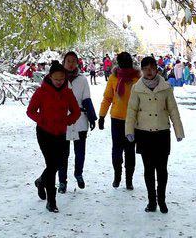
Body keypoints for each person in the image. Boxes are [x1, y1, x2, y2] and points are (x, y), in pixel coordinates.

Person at [125, 56, 185, 214]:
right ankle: (151, 201)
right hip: (144, 133)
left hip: (162, 133)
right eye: (145, 69)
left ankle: (162, 200)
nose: (149, 71)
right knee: (149, 169)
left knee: (162, 169)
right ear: (142, 70)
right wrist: (129, 130)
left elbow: (173, 110)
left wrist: (178, 130)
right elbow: (131, 111)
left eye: (151, 68)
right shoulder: (137, 88)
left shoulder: (166, 87)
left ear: (157, 69)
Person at [26, 60, 81, 213]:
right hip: (44, 132)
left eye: (62, 79)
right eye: (56, 79)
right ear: (50, 77)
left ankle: (41, 181)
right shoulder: (41, 92)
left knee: (59, 163)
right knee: (51, 165)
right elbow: (30, 111)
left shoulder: (67, 93)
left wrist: (68, 120)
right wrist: (42, 119)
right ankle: (52, 201)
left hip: (61, 133)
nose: (59, 82)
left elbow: (76, 111)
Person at [98, 51, 140, 189]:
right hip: (116, 119)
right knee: (117, 150)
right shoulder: (113, 77)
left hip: (132, 120)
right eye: (123, 63)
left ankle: (129, 180)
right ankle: (117, 176)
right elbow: (107, 98)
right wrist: (102, 116)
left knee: (130, 150)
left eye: (128, 62)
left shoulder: (137, 79)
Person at [57, 51, 96, 192]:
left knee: (80, 152)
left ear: (77, 63)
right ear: (64, 62)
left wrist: (92, 117)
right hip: (62, 120)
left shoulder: (82, 80)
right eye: (68, 61)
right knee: (62, 153)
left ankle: (78, 173)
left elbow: (87, 99)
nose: (71, 64)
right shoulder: (58, 79)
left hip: (80, 119)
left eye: (74, 61)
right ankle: (62, 181)